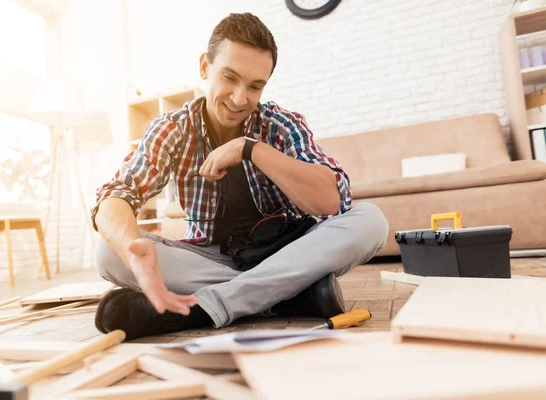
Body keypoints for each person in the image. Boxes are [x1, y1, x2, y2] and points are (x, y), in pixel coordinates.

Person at [90, 12, 388, 340]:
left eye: (254, 86)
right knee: (109, 253)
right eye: (230, 78)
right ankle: (290, 293)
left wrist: (251, 150)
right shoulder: (174, 129)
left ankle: (207, 307)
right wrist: (133, 247)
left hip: (288, 248)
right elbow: (117, 193)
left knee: (371, 220)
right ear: (205, 67)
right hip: (214, 259)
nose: (239, 98)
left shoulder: (281, 125)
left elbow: (332, 200)